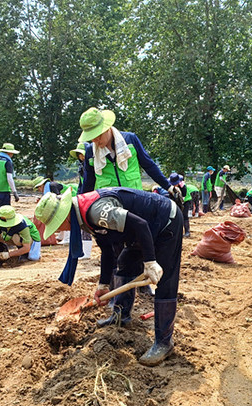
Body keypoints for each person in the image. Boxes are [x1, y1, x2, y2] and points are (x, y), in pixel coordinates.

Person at [35, 186, 183, 366]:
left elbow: (140, 224)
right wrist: (103, 285)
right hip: (143, 230)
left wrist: (150, 262)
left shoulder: (95, 212)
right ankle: (122, 317)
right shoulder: (83, 217)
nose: (60, 230)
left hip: (165, 220)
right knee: (126, 262)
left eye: (58, 225)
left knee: (166, 279)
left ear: (64, 216)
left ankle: (163, 343)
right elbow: (107, 250)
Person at [76, 107, 176, 198]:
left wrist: (168, 186)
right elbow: (88, 183)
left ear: (107, 128)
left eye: (98, 135)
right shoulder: (90, 151)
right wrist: (79, 203)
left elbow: (149, 166)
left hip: (136, 199)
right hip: (110, 205)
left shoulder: (130, 140)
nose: (95, 140)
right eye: (92, 137)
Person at [169, 173, 190, 237]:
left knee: (184, 216)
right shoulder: (170, 185)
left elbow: (183, 197)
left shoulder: (183, 186)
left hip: (185, 201)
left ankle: (187, 232)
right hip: (177, 201)